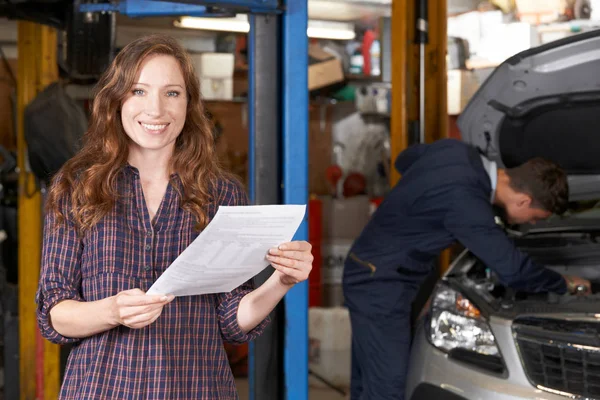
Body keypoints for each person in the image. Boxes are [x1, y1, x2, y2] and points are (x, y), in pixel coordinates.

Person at [35, 34, 313, 399]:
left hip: (197, 388)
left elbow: (232, 319)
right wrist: (113, 310)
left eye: (172, 93)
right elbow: (54, 313)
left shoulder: (222, 194)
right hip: (102, 389)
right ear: (116, 99)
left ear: (189, 104)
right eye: (138, 91)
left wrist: (281, 281)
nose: (155, 110)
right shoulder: (76, 188)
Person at [341, 138, 590, 400]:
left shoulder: (456, 150)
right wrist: (565, 283)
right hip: (380, 282)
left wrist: (422, 200)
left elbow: (404, 159)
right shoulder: (468, 204)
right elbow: (514, 271)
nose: (531, 224)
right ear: (524, 201)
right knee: (388, 389)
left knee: (367, 383)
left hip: (371, 268)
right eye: (536, 218)